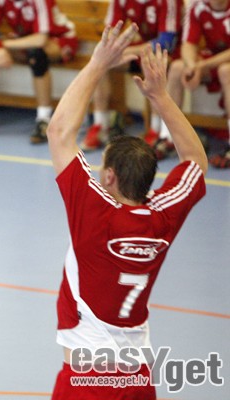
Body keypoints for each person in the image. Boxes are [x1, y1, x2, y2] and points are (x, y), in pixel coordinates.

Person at [46, 22, 207, 399]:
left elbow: (59, 132)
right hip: (137, 377)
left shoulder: (95, 211)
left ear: (110, 176)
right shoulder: (163, 215)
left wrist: (98, 63)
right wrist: (160, 96)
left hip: (86, 379)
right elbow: (195, 161)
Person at [0, 0, 78, 144]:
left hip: (58, 39)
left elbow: (41, 40)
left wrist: (1, 45)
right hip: (24, 37)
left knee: (37, 55)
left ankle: (44, 119)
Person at [80, 0, 184, 151]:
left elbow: (166, 42)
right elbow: (111, 31)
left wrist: (125, 51)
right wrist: (111, 47)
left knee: (153, 62)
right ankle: (101, 124)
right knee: (102, 61)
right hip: (142, 47)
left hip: (169, 53)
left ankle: (156, 130)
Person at [152, 0, 230, 168]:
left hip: (223, 63)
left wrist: (201, 66)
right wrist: (192, 67)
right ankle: (167, 137)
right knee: (177, 68)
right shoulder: (197, 7)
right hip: (211, 60)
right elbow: (188, 44)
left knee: (226, 71)